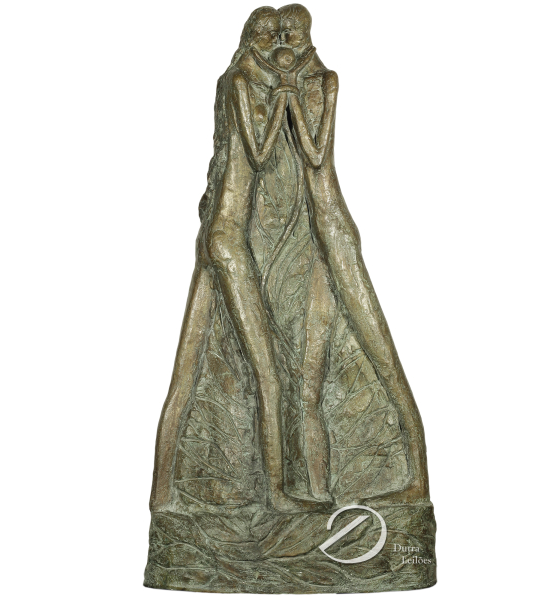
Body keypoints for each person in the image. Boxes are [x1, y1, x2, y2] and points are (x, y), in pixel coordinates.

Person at [151, 6, 322, 513]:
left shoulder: (235, 82)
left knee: (185, 373)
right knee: (269, 374)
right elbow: (261, 155)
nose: (273, 46)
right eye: (264, 37)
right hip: (227, 241)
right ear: (249, 39)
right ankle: (277, 494)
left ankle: (162, 496)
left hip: (217, 234)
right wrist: (287, 97)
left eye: (277, 37)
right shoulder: (242, 84)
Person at [276, 3, 430, 502]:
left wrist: (288, 97)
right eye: (280, 35)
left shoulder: (325, 82)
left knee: (384, 357)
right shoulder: (280, 85)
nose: (286, 42)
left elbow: (316, 154)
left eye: (293, 33)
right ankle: (317, 494)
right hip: (311, 244)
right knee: (307, 374)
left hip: (335, 234)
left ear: (307, 34)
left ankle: (416, 482)